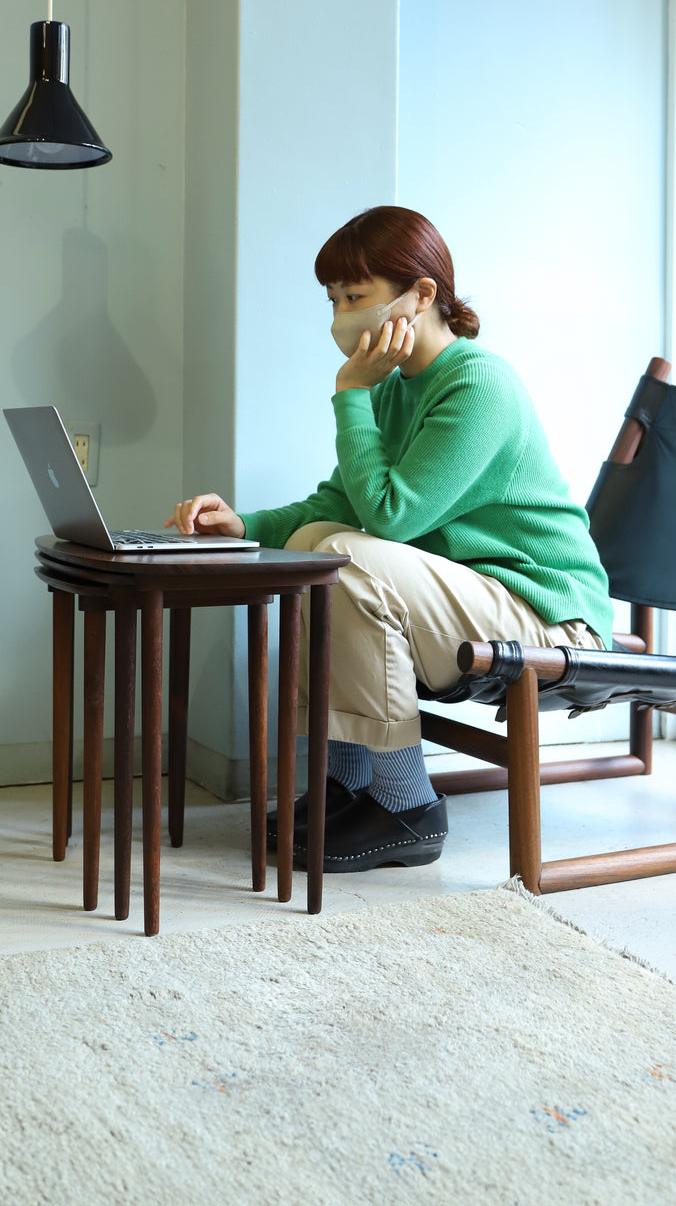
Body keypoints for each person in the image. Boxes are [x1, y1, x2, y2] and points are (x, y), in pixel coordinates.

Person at [166, 206, 613, 873]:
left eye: (356, 296)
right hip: (472, 602)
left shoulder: (477, 382)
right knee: (317, 541)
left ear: (421, 294)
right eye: (334, 300)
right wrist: (246, 526)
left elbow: (392, 517)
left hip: (545, 615)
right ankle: (347, 787)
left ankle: (406, 805)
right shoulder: (392, 389)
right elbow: (341, 504)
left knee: (344, 556)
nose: (340, 316)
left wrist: (348, 392)